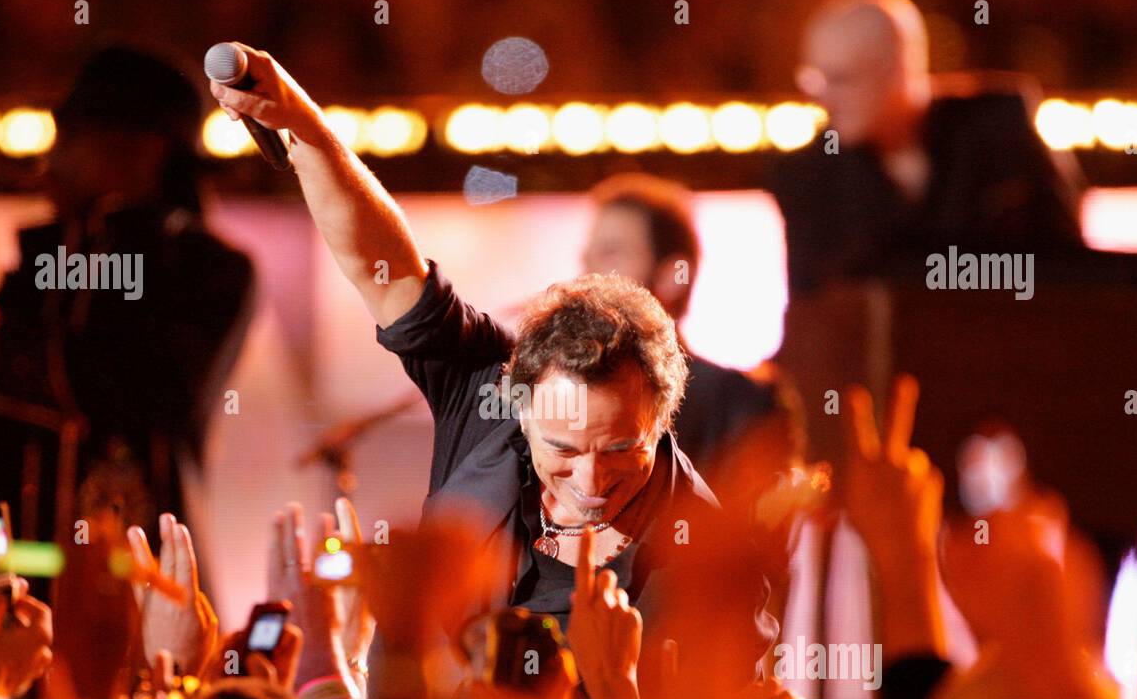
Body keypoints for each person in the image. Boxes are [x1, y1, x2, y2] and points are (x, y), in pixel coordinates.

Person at [206, 46, 776, 655]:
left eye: (618, 449)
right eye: (561, 447)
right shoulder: (488, 393)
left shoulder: (702, 562)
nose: (590, 480)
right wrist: (304, 127)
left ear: (662, 421)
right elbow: (387, 272)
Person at [0, 45, 255, 575]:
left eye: (70, 136)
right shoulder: (51, 254)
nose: (53, 156)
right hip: (10, 574)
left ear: (139, 148)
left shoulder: (208, 268)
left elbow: (155, 390)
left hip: (131, 583)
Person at [768, 0, 1086, 299]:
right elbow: (816, 311)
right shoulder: (807, 177)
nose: (825, 100)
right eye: (814, 81)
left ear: (897, 69)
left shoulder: (1001, 133)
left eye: (841, 79)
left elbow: (1072, 271)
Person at [584, 173, 804, 504]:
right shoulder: (561, 399)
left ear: (674, 276)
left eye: (612, 254)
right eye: (588, 258)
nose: (588, 275)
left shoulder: (736, 403)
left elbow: (751, 535)